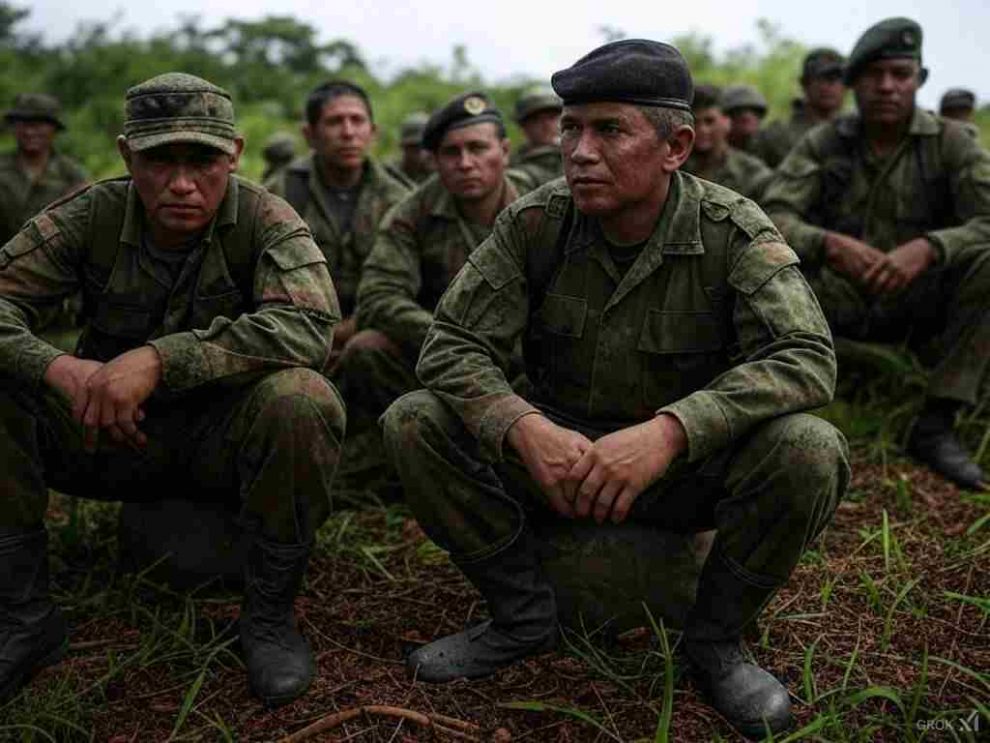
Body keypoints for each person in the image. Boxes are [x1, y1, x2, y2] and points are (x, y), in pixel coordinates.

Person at [383, 41, 848, 741]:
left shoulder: (732, 230)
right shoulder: (534, 222)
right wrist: (521, 426)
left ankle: (716, 640)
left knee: (811, 447)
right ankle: (520, 615)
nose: (579, 151)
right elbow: (449, 344)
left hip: (681, 468)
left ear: (677, 145)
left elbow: (807, 354)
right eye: (571, 128)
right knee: (413, 420)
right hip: (558, 459)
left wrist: (671, 431)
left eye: (609, 130)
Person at [0, 73, 345, 708]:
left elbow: (312, 325)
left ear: (235, 154)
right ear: (128, 154)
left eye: (203, 160)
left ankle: (267, 616)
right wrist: (60, 369)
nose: (182, 183)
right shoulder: (92, 213)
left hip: (215, 442)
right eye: (160, 160)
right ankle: (24, 615)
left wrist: (161, 359)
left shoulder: (268, 218)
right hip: (101, 428)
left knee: (303, 397)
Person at [764, 17, 990, 491]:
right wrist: (826, 244)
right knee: (762, 264)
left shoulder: (952, 142)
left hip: (921, 303)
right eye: (873, 75)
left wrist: (931, 248)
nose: (887, 87)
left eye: (901, 74)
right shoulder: (824, 141)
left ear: (919, 80)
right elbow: (770, 215)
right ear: (853, 83)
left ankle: (936, 422)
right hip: (833, 298)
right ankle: (777, 397)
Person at [334, 92, 536, 433]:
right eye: (451, 152)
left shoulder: (541, 208)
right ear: (434, 161)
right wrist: (454, 344)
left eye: (477, 148)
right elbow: (379, 296)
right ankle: (387, 451)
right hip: (437, 356)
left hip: (525, 356)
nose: (466, 163)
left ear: (504, 151)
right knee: (366, 348)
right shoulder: (412, 215)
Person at [266, 81, 409, 367]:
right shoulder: (280, 193)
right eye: (334, 122)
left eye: (357, 121)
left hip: (371, 334)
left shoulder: (400, 200)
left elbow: (406, 289)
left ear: (373, 132)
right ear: (310, 134)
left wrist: (350, 330)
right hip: (295, 334)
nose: (348, 133)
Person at [0, 93, 88, 245]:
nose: (30, 132)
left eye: (39, 125)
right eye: (24, 124)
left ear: (54, 128)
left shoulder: (71, 175)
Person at [756, 49, 847, 167]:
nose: (827, 87)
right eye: (820, 79)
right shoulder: (777, 134)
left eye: (835, 79)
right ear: (804, 84)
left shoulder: (854, 132)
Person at [683, 84, 772, 200]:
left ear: (726, 122)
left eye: (709, 121)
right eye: (695, 122)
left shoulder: (752, 173)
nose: (702, 130)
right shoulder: (676, 167)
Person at [510, 85, 563, 184]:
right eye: (536, 120)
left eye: (551, 117)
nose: (546, 125)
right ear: (523, 127)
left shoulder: (573, 155)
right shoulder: (513, 163)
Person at [385, 111, 434, 186]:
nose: (423, 153)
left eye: (427, 147)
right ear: (404, 148)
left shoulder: (439, 174)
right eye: (415, 148)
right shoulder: (389, 175)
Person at [721, 84, 768, 155]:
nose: (747, 116)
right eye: (738, 112)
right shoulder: (716, 152)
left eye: (754, 111)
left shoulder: (768, 146)